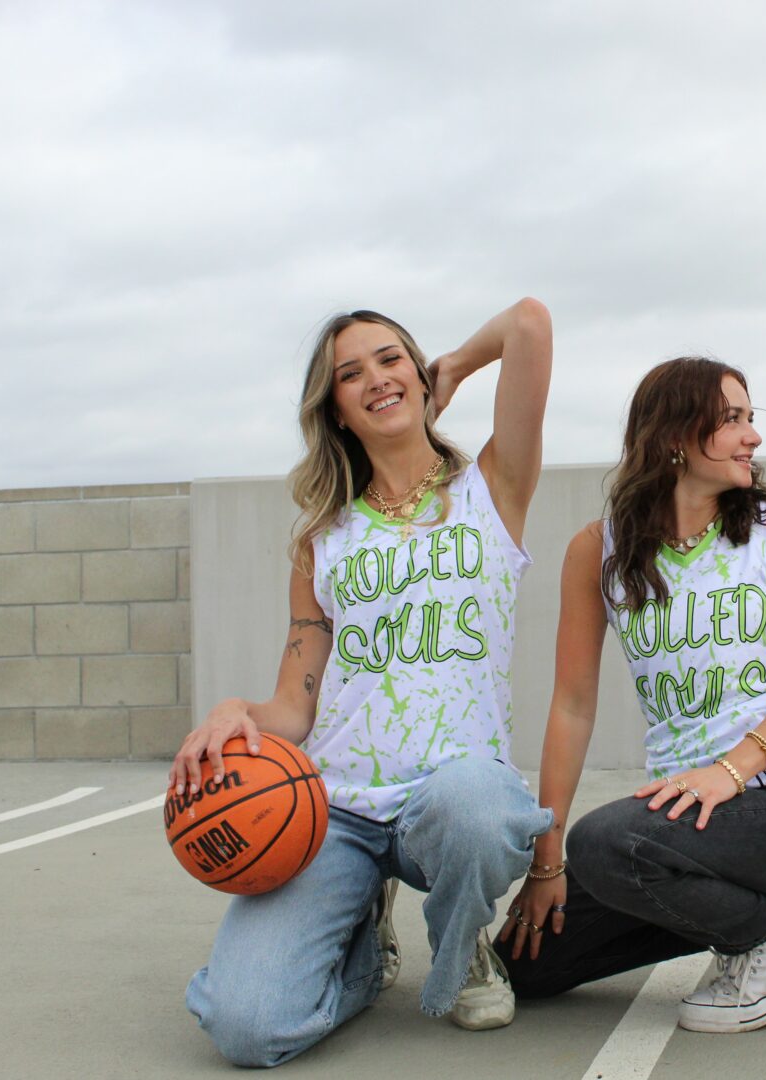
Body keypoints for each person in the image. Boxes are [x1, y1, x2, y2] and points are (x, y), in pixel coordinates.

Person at [168, 299, 556, 1066]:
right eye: (351, 375)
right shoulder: (322, 540)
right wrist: (232, 710)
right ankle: (366, 957)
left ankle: (461, 946)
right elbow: (294, 705)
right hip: (336, 811)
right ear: (336, 410)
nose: (376, 379)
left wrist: (453, 367)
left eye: (389, 359)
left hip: (448, 800)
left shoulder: (492, 489)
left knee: (479, 807)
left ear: (417, 373)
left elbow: (530, 324)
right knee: (247, 1027)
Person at [499, 357, 766, 1033]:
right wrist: (546, 862)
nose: (753, 436)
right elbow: (572, 706)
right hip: (674, 822)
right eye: (732, 420)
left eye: (750, 418)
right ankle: (728, 903)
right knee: (527, 963)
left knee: (605, 844)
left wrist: (731, 771)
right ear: (674, 437)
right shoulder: (598, 550)